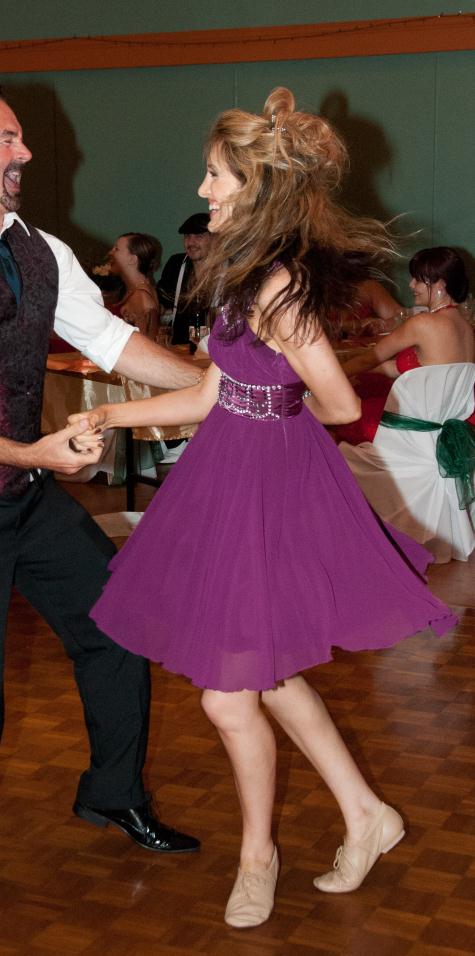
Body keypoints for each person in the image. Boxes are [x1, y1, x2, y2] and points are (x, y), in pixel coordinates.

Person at [71, 87, 458, 929]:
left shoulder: (278, 288)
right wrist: (108, 417)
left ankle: (258, 857)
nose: (202, 189)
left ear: (254, 186)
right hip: (227, 475)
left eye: (214, 175)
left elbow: (332, 401)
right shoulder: (242, 275)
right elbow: (207, 393)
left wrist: (270, 412)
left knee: (227, 695)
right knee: (267, 676)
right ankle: (365, 814)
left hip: (264, 485)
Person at [0, 78, 200, 927]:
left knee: (117, 627)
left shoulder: (42, 249)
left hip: (26, 490)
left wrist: (215, 388)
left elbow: (111, 340)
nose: (25, 152)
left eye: (20, 138)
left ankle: (113, 794)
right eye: (7, 138)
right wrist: (30, 454)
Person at [336, 247, 475, 444]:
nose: (411, 284)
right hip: (447, 423)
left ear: (440, 284)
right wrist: (366, 371)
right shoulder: (465, 326)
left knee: (342, 417)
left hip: (418, 426)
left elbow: (368, 359)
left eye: (418, 279)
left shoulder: (422, 323)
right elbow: (425, 370)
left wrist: (329, 378)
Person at [157, 212, 212, 345]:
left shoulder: (228, 270)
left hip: (214, 347)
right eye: (187, 236)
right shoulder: (176, 264)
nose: (191, 242)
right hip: (179, 345)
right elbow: (161, 302)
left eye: (199, 236)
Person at [107, 232, 161, 339]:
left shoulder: (142, 296)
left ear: (132, 260)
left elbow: (147, 342)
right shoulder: (133, 290)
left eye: (116, 249)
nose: (110, 253)